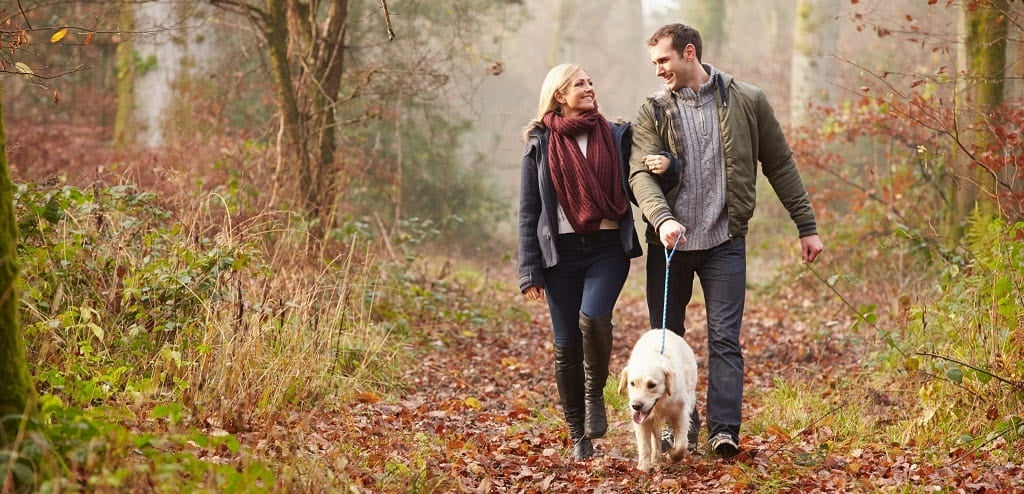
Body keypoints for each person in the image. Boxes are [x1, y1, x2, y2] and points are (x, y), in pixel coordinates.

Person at [628, 23, 824, 458]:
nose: (658, 70)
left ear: (690, 53)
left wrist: (805, 225)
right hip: (670, 245)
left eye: (663, 60)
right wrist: (661, 220)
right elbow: (640, 174)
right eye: (654, 63)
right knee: (666, 341)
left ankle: (723, 431)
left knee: (724, 340)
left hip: (724, 242)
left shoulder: (747, 100)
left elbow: (780, 164)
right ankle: (672, 431)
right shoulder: (652, 111)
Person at [517, 63, 647, 460]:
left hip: (607, 247)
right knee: (566, 344)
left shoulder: (615, 134)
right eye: (580, 84)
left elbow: (642, 181)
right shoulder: (540, 142)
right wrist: (529, 269)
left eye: (591, 82)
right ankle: (578, 436)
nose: (589, 88)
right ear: (560, 94)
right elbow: (529, 210)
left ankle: (595, 391)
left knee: (593, 316)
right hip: (561, 255)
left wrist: (665, 169)